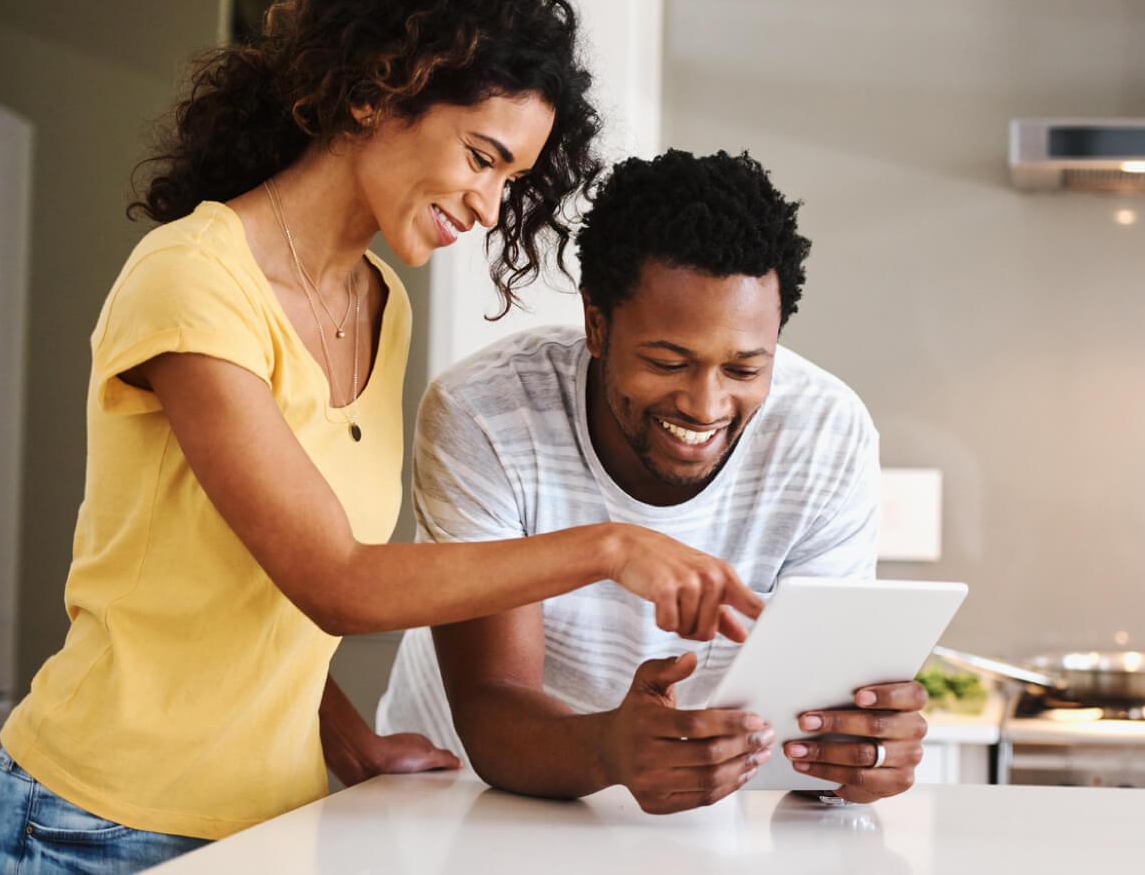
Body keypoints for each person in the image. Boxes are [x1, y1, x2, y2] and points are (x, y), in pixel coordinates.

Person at [0, 0, 761, 874]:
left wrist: (352, 747)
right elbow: (337, 582)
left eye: (511, 181)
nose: (487, 206)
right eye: (481, 156)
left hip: (276, 821)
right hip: (95, 823)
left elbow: (265, 590)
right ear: (378, 88)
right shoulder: (194, 280)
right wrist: (608, 546)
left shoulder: (377, 304)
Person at [377, 149, 928, 815]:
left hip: (686, 802)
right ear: (597, 324)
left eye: (744, 370)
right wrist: (610, 747)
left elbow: (811, 721)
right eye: (669, 362)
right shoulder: (486, 412)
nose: (705, 404)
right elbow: (495, 710)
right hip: (458, 799)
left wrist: (858, 751)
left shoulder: (826, 434)